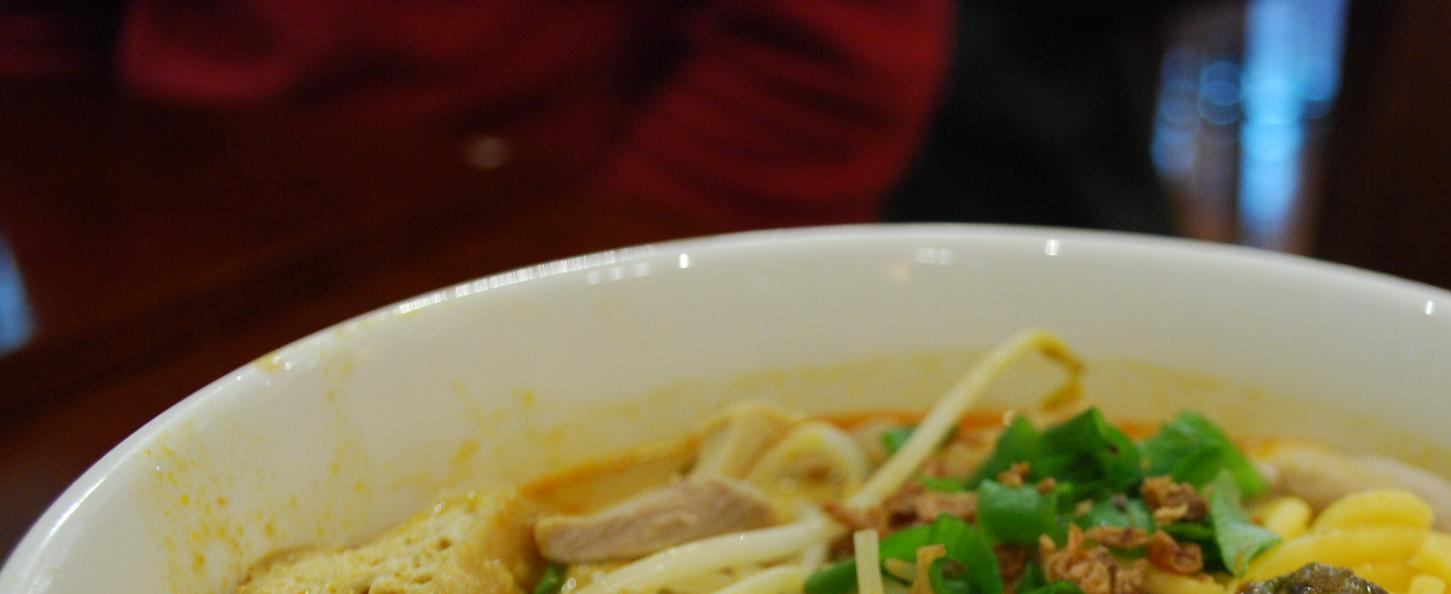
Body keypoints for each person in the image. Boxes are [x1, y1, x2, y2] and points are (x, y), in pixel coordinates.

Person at [0, 0, 954, 230]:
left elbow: (828, 57)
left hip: (537, 228)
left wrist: (602, 285)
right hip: (142, 227)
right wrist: (67, 196)